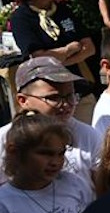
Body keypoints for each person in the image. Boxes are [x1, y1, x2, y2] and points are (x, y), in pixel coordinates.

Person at [9, 0, 98, 123]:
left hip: (79, 91)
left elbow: (89, 48)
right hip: (46, 99)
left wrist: (58, 60)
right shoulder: (21, 18)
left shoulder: (64, 11)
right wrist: (70, 48)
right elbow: (38, 59)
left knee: (91, 141)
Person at [0, 56, 101, 190]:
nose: (65, 104)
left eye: (70, 96)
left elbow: (102, 186)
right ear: (23, 101)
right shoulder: (5, 139)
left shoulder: (89, 135)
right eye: (53, 98)